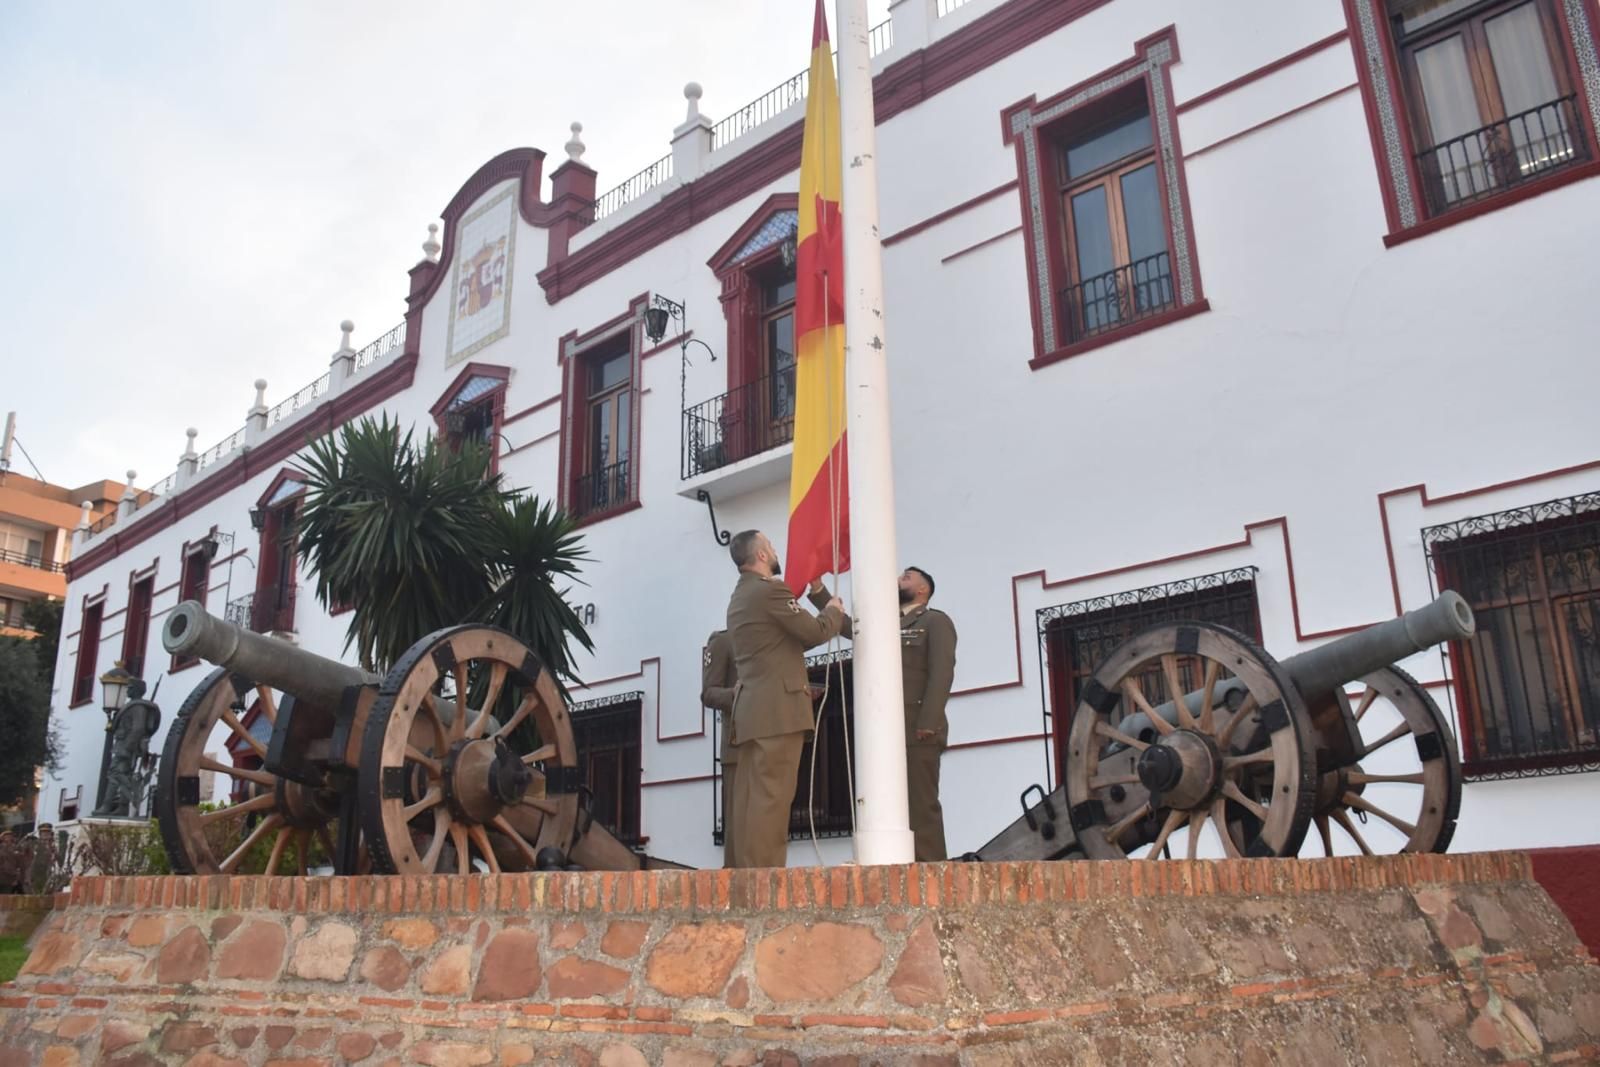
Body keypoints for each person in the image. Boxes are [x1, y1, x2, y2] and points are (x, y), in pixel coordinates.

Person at [809, 566, 956, 861]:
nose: (898, 580)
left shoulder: (934, 621)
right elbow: (849, 626)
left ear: (922, 590)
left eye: (906, 577)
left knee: (920, 806)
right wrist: (817, 589)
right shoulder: (886, 624)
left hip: (917, 729)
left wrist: (928, 722)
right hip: (884, 732)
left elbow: (941, 674)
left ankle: (933, 872)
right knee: (883, 806)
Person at [725, 530, 843, 868]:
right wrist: (833, 609)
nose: (776, 551)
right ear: (761, 555)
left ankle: (746, 875)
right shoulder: (770, 591)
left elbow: (780, 644)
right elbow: (815, 631)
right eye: (772, 546)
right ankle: (764, 881)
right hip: (777, 709)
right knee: (772, 800)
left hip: (752, 711)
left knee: (751, 800)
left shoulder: (740, 597)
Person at [700, 628, 740, 868]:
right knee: (737, 828)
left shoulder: (766, 639)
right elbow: (709, 694)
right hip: (737, 748)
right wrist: (738, 696)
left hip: (768, 747)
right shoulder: (724, 641)